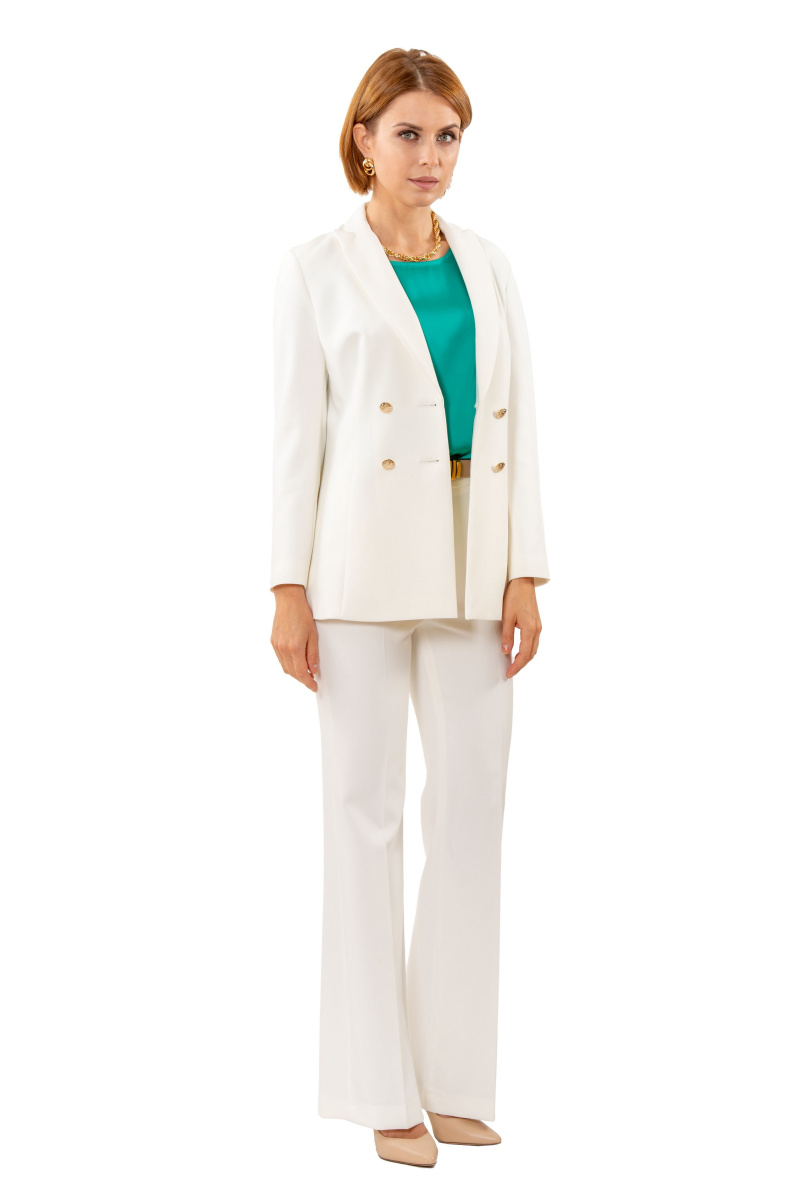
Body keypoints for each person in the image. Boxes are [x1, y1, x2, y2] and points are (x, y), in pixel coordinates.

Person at [269, 47, 551, 1168]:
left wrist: (525, 566)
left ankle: (453, 1081)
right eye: (408, 135)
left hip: (474, 558)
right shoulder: (315, 270)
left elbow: (520, 419)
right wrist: (286, 586)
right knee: (364, 813)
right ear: (363, 141)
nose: (429, 156)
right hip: (357, 572)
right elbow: (295, 441)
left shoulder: (488, 263)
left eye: (446, 137)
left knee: (472, 810)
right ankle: (378, 1089)